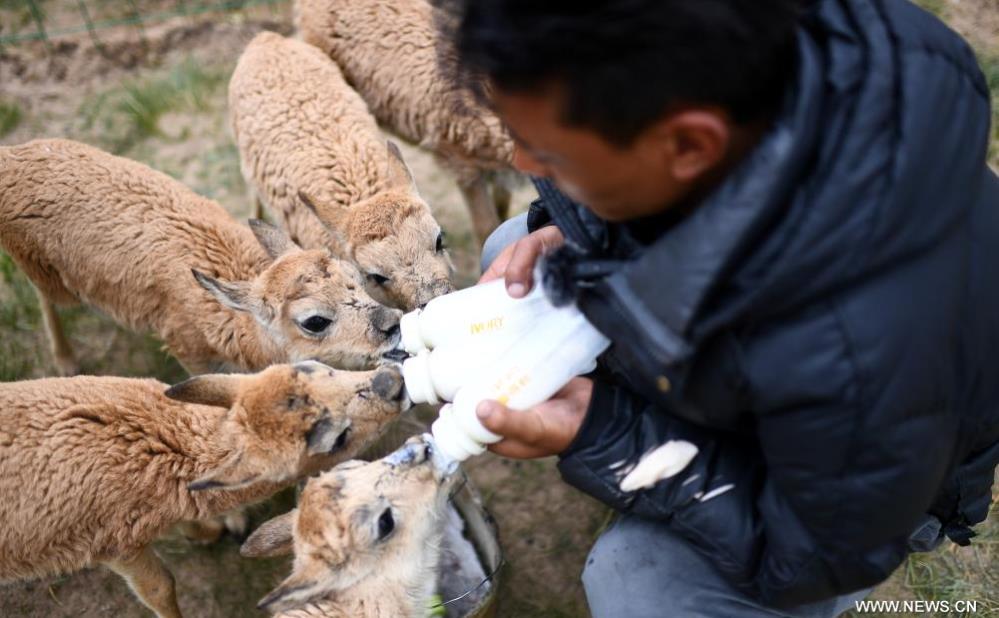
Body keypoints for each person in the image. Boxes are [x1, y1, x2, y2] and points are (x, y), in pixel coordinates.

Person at [436, 0, 999, 616]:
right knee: (519, 255)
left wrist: (607, 434)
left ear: (688, 145)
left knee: (638, 584)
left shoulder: (859, 350)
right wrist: (576, 228)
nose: (520, 162)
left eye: (552, 153)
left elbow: (815, 554)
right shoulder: (759, 70)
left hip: (849, 505)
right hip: (791, 393)